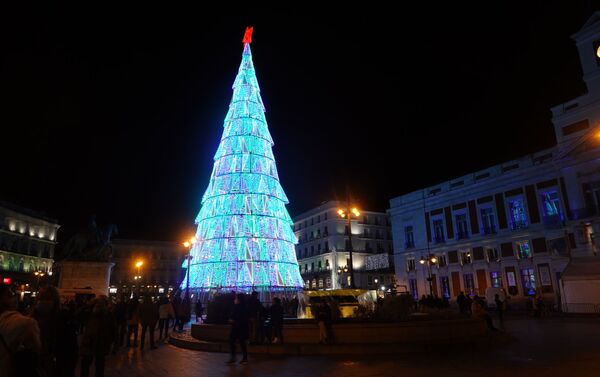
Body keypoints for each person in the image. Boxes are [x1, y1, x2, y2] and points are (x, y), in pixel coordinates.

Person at [0, 285, 42, 377]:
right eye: (10, 295)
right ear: (3, 300)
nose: (15, 298)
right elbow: (37, 348)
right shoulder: (26, 323)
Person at [79, 296, 115, 377]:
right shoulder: (91, 313)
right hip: (90, 343)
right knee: (92, 366)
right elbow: (78, 315)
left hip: (97, 343)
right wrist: (88, 305)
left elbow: (113, 330)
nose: (99, 306)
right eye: (98, 304)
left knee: (96, 366)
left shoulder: (107, 315)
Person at [227, 293, 249, 365]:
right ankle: (235, 357)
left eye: (236, 298)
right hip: (237, 327)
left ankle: (242, 358)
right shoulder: (239, 306)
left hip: (240, 327)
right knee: (234, 341)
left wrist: (233, 320)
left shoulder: (241, 307)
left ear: (239, 299)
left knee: (241, 342)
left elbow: (241, 317)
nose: (235, 299)